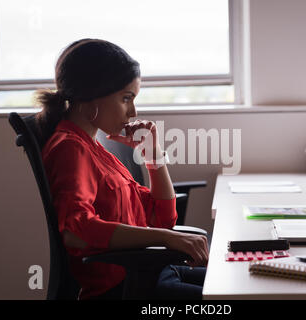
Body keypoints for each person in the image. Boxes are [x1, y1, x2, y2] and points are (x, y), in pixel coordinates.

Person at [36, 39, 208, 300]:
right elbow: (75, 231)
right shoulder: (70, 149)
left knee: (241, 279)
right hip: (124, 289)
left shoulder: (95, 147)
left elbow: (163, 219)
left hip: (150, 273)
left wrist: (154, 156)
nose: (133, 112)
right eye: (126, 98)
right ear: (91, 92)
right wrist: (167, 239)